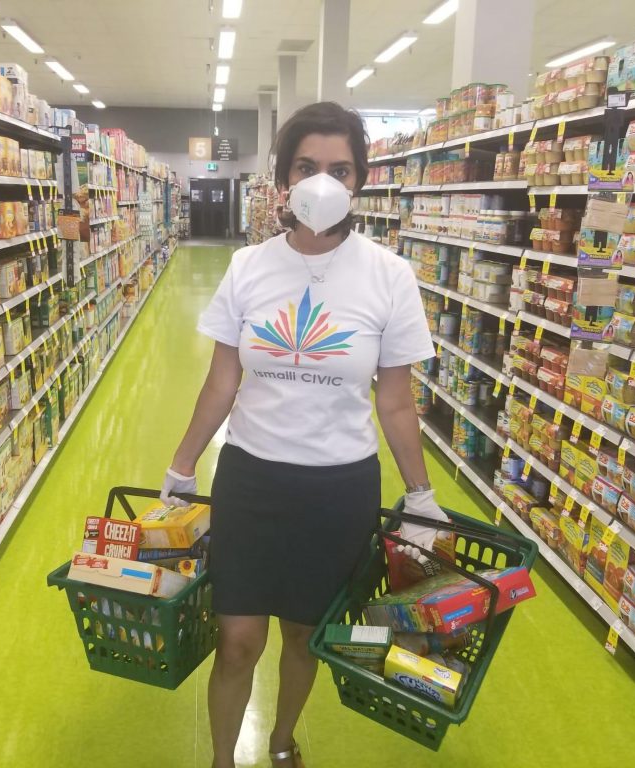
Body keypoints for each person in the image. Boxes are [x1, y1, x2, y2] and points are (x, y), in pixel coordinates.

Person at [161, 101, 446, 768]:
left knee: (301, 636)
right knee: (236, 640)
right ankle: (222, 760)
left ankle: (283, 741)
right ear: (283, 181)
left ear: (362, 180)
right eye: (308, 166)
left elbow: (397, 403)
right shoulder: (249, 268)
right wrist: (181, 467)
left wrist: (422, 493)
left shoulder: (389, 276)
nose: (325, 182)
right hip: (252, 477)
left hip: (339, 488)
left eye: (340, 169)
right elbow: (221, 381)